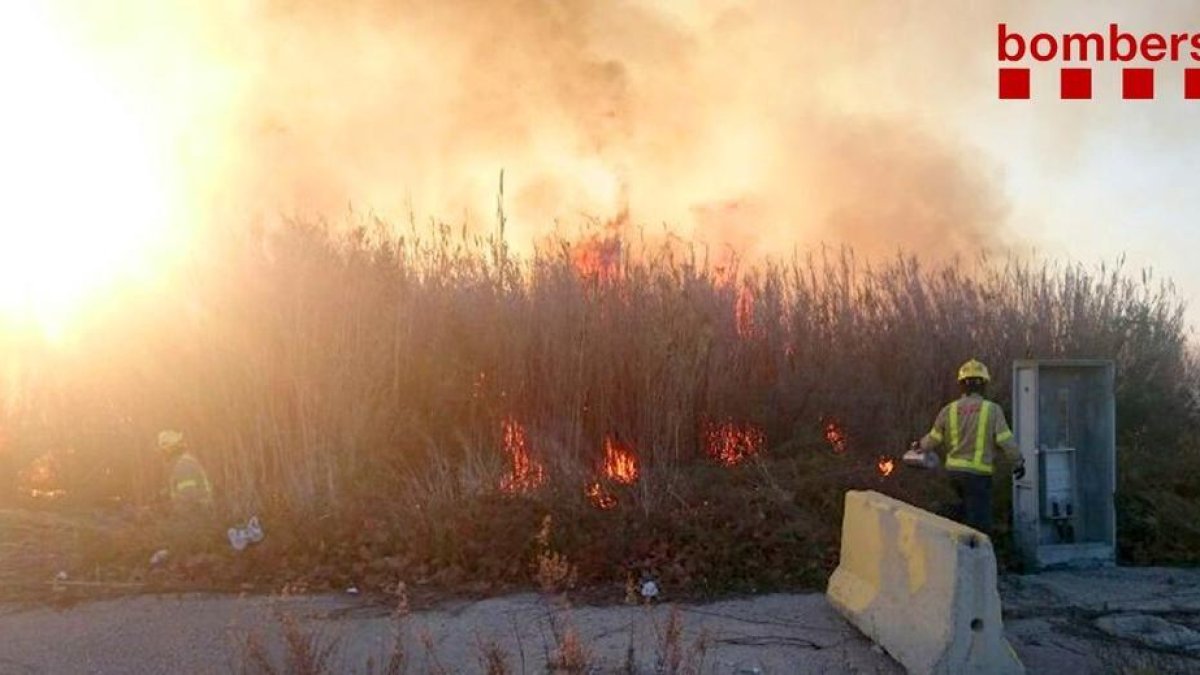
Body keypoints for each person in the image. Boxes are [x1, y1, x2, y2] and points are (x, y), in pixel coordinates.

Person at [913, 359, 1024, 536]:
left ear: (961, 385)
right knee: (978, 528)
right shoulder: (992, 410)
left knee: (957, 520)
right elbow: (1005, 440)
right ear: (984, 385)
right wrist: (1018, 462)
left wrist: (918, 446)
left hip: (953, 475)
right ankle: (976, 559)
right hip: (979, 477)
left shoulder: (948, 410)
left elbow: (933, 439)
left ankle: (952, 553)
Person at [158, 430, 212, 509]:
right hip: (198, 512)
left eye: (164, 450)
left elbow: (188, 496)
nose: (163, 454)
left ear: (171, 449)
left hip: (196, 515)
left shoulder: (183, 465)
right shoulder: (183, 463)